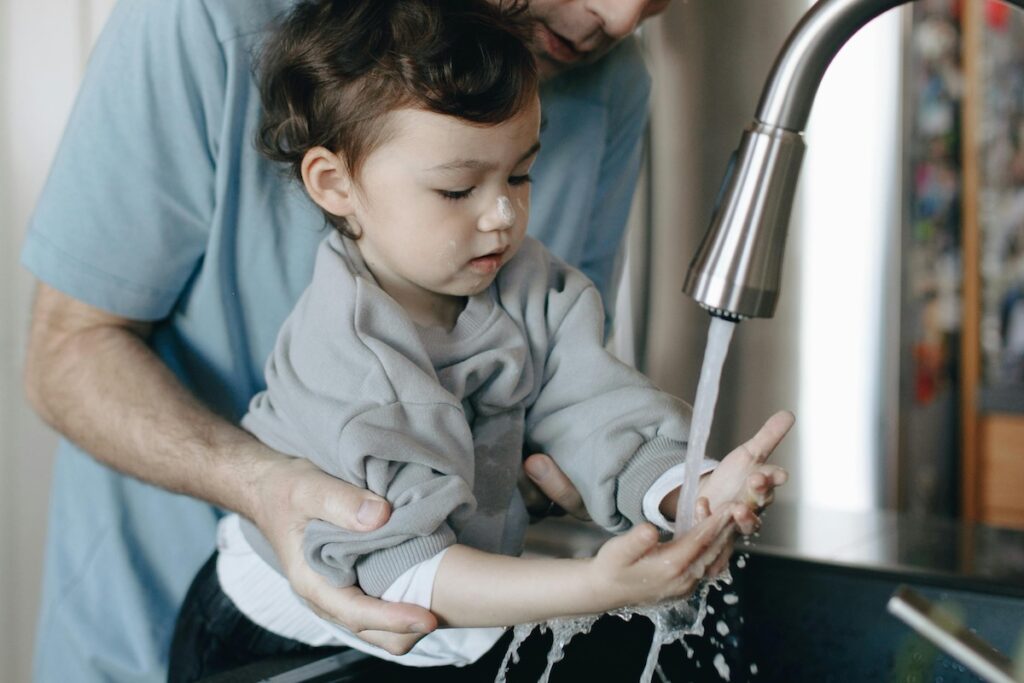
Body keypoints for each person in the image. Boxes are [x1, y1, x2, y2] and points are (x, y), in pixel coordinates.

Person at [16, 0, 723, 681]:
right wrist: (264, 486)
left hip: (426, 625)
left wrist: (669, 479)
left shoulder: (610, 81)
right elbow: (70, 347)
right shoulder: (206, 17)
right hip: (220, 628)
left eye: (522, 173)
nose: (624, 15)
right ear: (331, 181)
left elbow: (565, 376)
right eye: (455, 189)